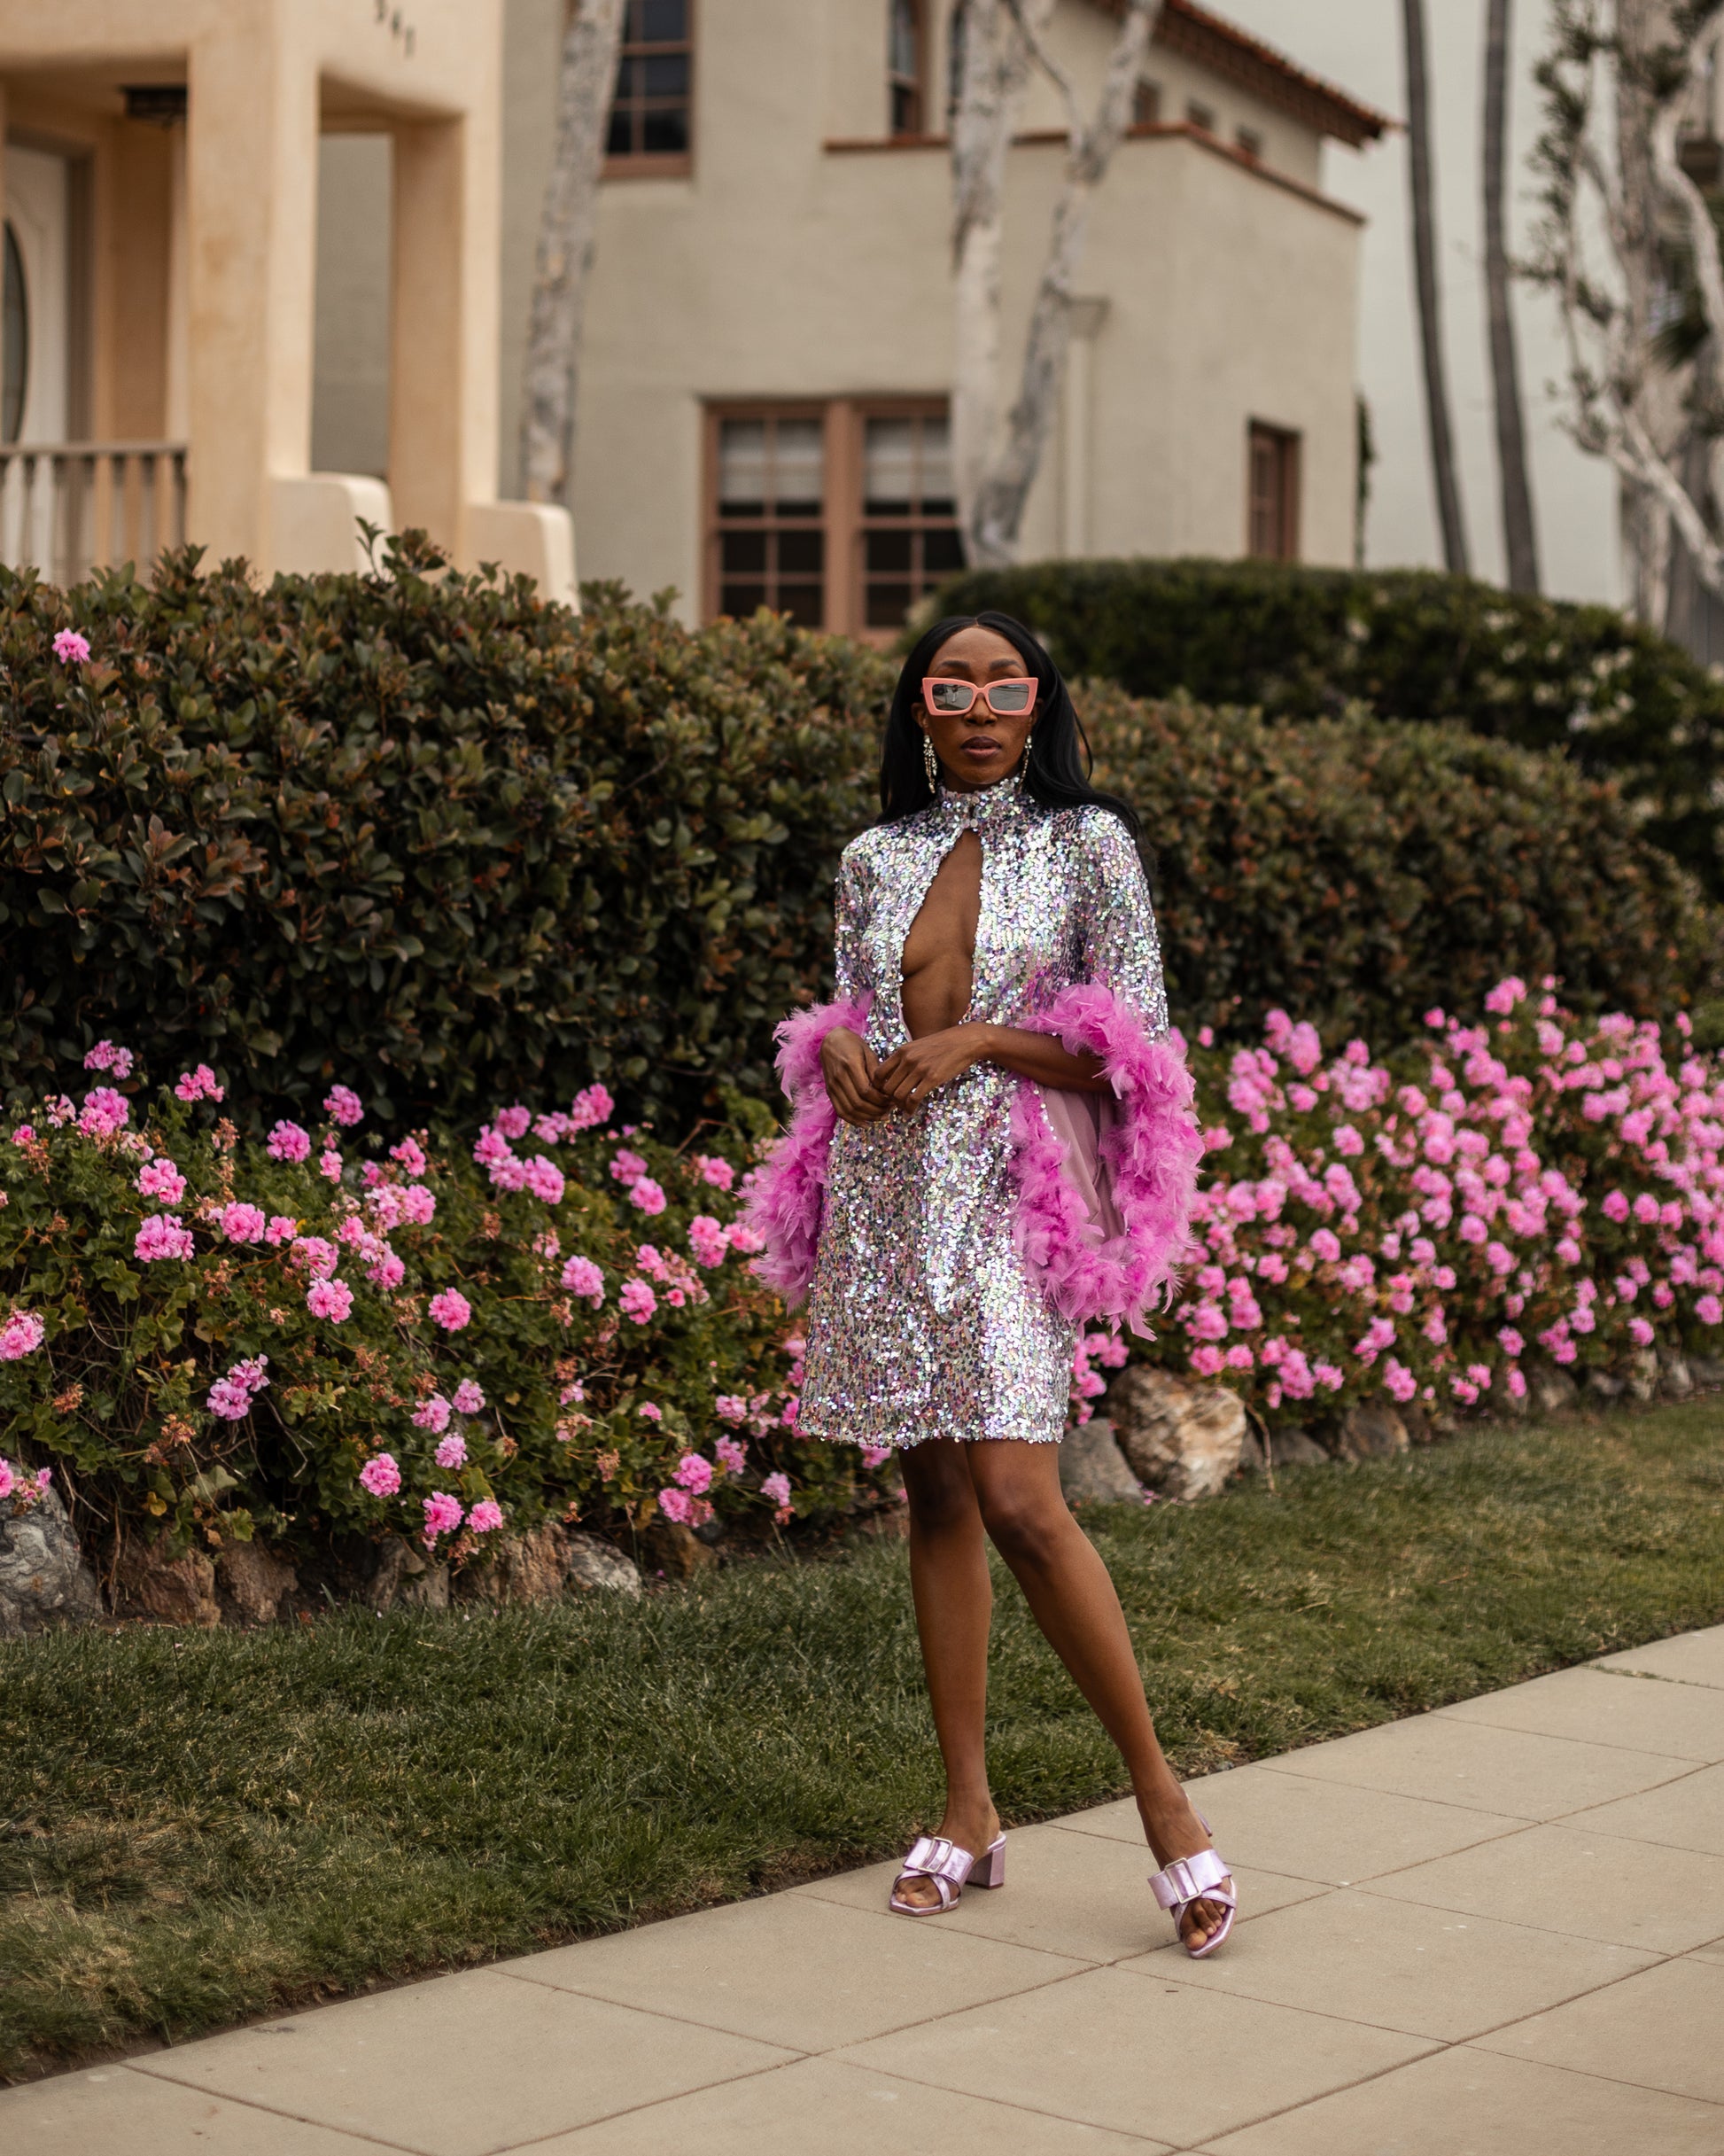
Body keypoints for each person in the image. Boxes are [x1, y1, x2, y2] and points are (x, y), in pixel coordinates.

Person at [744, 611, 1235, 1957]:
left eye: (999, 687)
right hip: (891, 1194)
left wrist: (974, 1039)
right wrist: (840, 1051)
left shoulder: (1089, 845)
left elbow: (1132, 1048)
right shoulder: (872, 854)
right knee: (938, 1491)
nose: (972, 707)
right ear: (915, 709)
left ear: (1036, 705)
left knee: (1023, 1495)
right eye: (946, 687)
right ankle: (967, 1808)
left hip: (1008, 1202)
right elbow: (850, 1005)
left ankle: (1165, 1806)